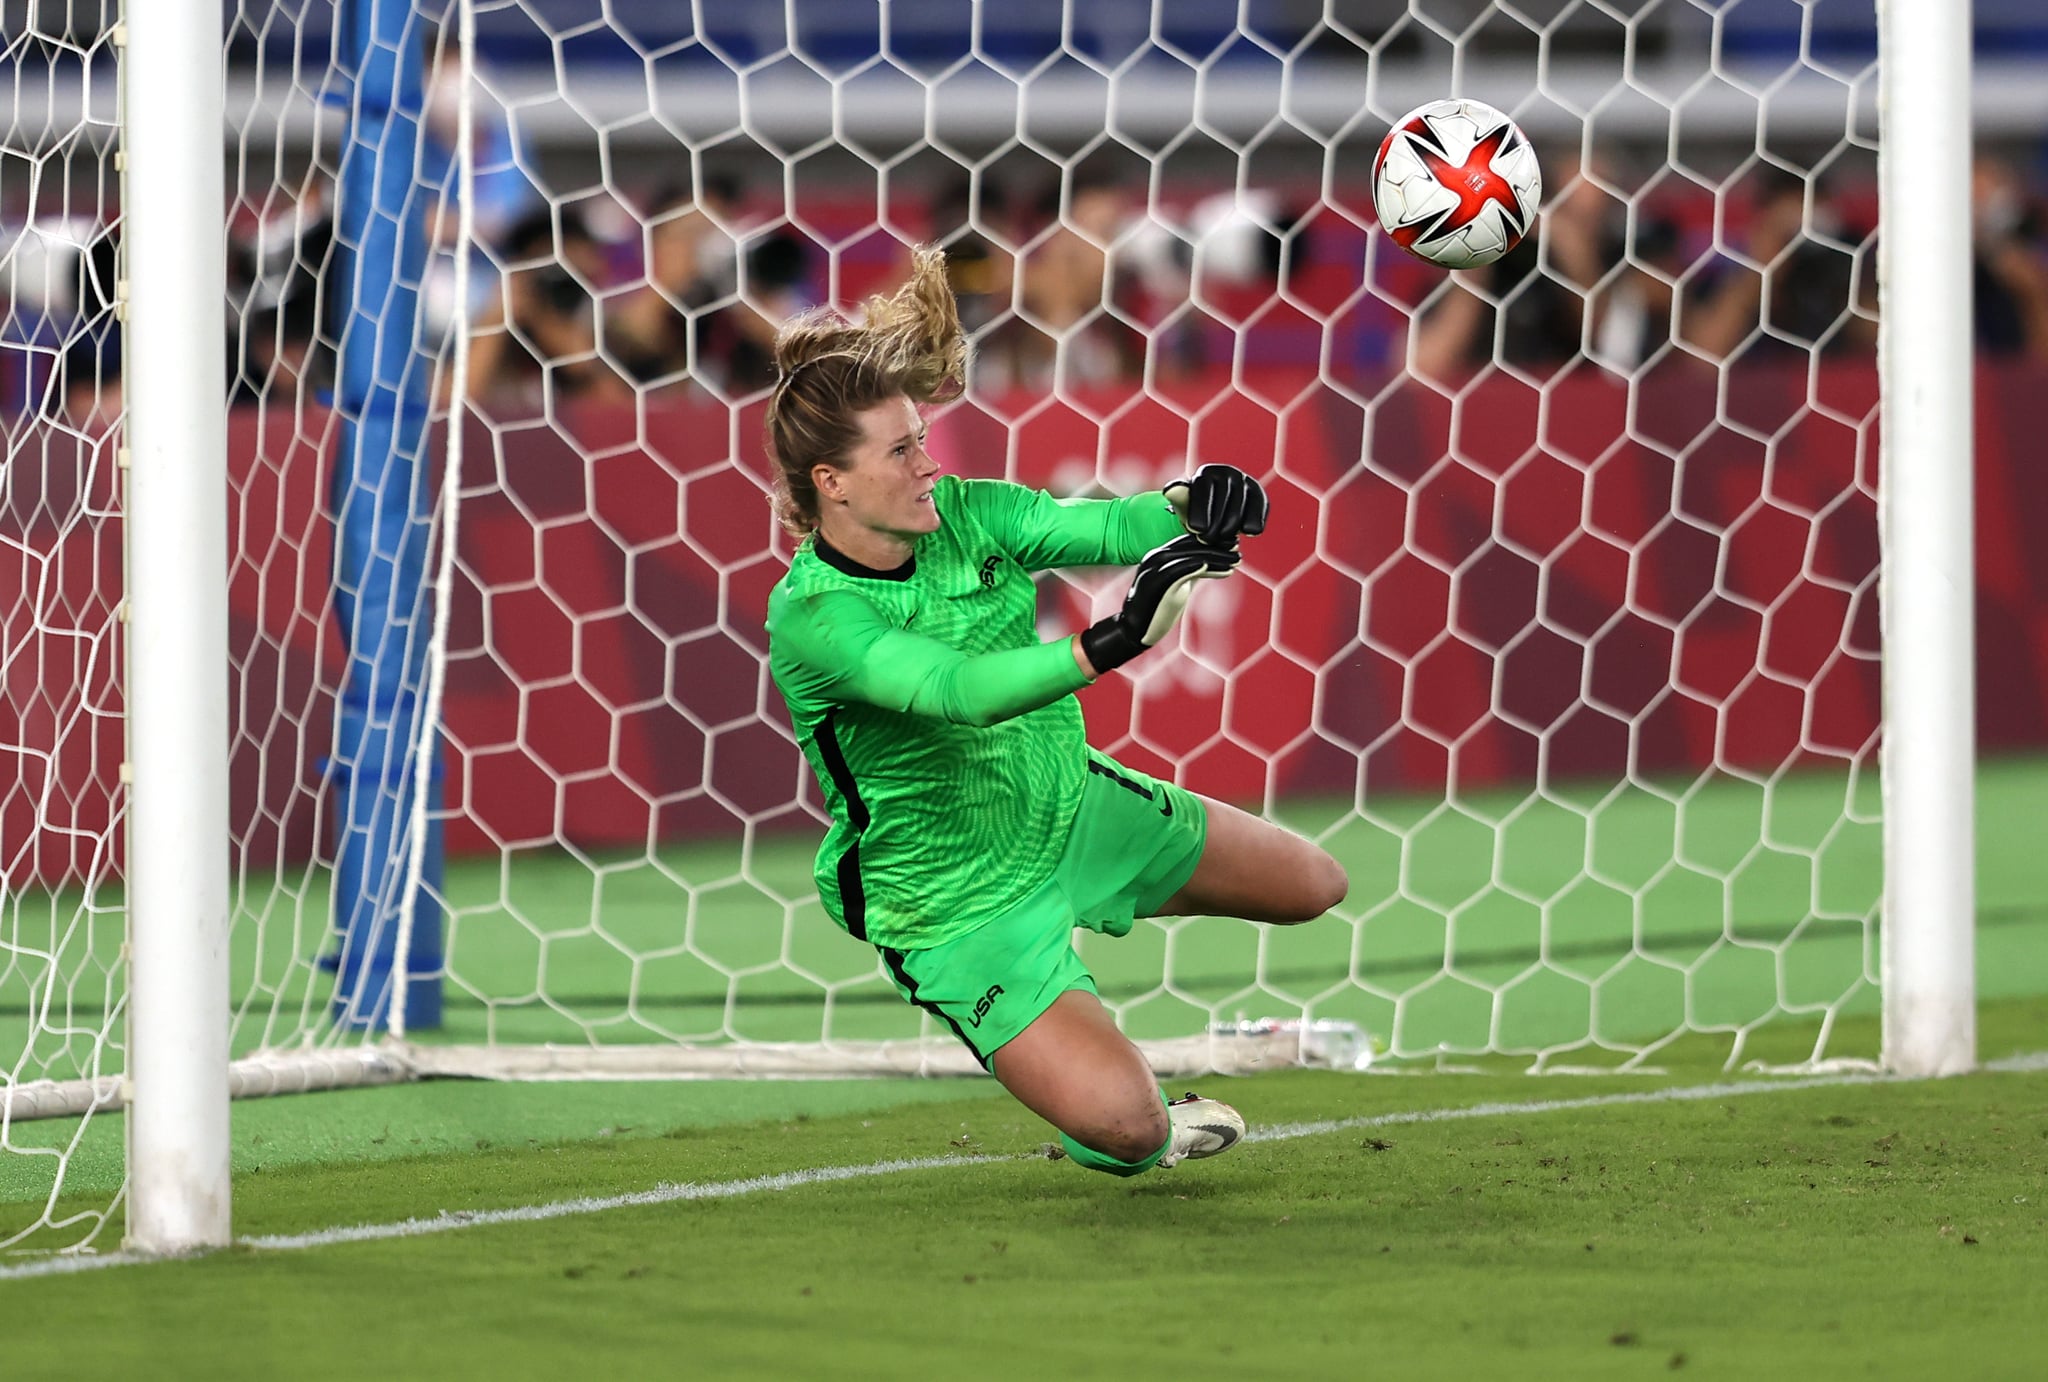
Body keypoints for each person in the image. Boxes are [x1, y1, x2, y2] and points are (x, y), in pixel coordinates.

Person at [763, 245, 1349, 1177]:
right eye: (902, 449)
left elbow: (1103, 527)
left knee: (1316, 885)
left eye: (923, 437)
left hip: (1070, 808)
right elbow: (953, 694)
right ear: (831, 483)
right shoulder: (815, 617)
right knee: (1130, 1133)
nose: (928, 463)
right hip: (953, 901)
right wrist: (1103, 645)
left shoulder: (970, 511)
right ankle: (1139, 1105)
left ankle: (1114, 940)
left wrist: (1191, 500)